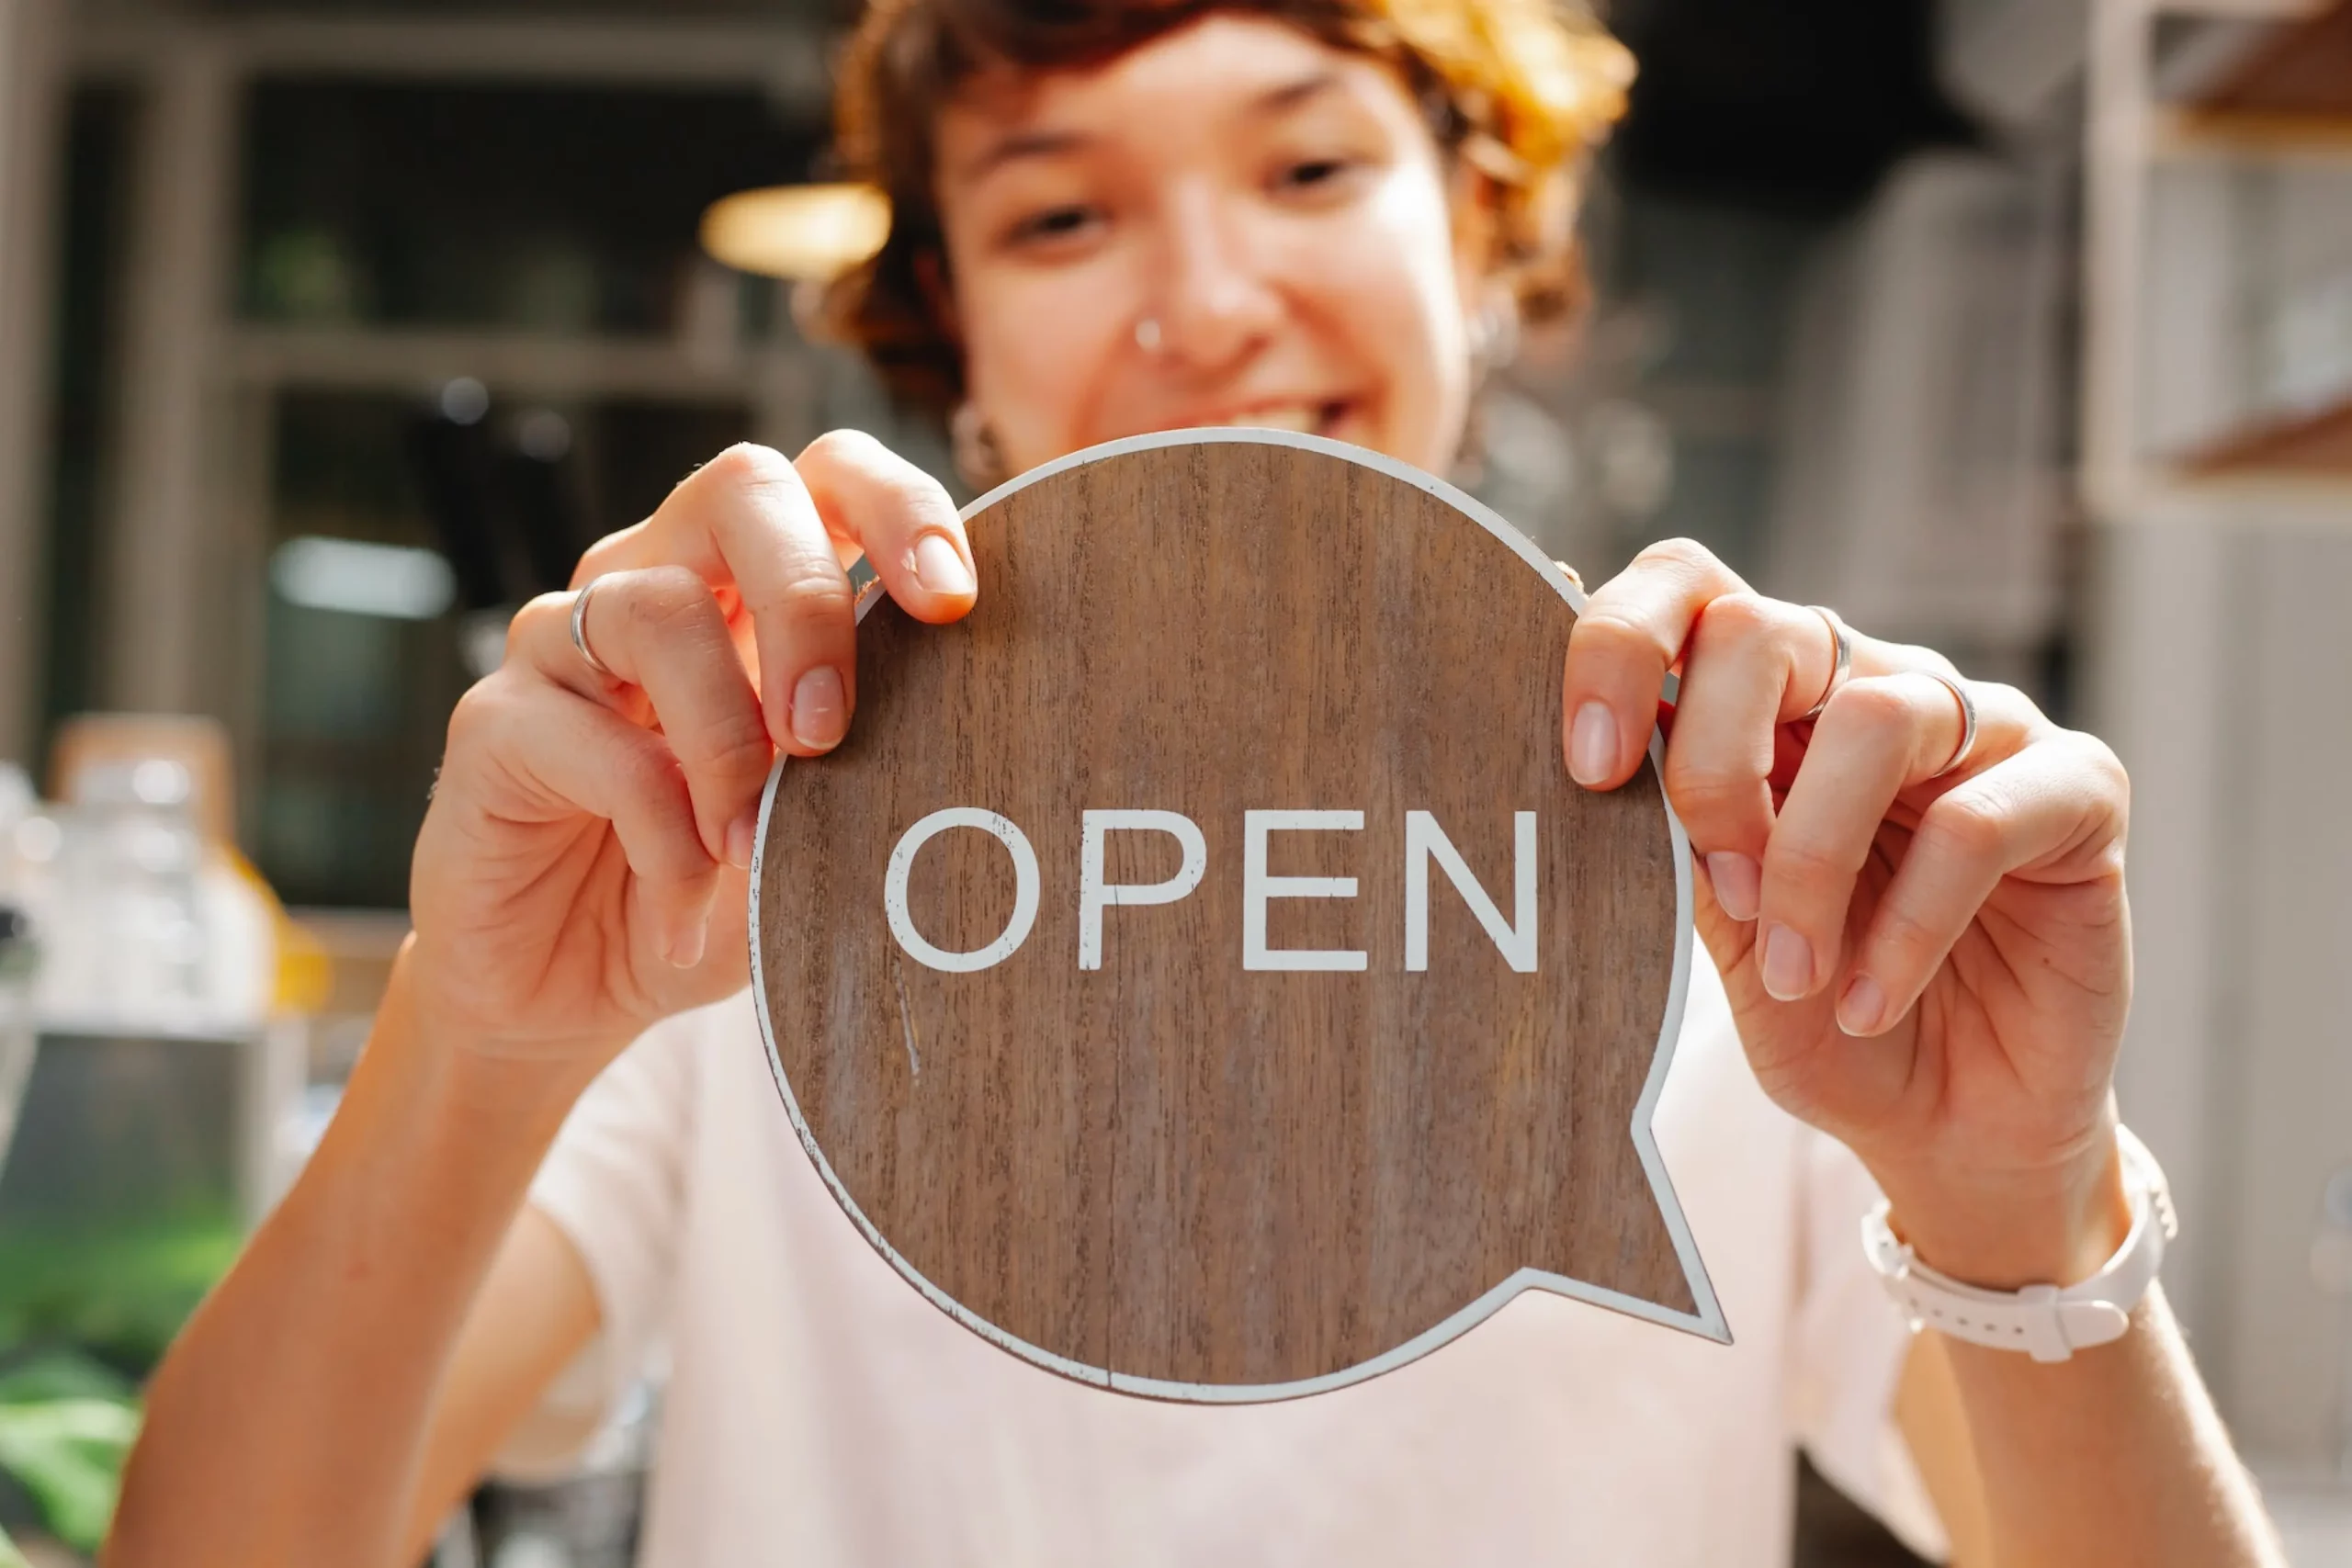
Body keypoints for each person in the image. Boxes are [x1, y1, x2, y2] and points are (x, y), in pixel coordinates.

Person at [108, 0, 2285, 1564]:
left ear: (1494, 244)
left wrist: (2021, 1203)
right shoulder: (757, 867)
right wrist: (475, 1035)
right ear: (952, 352)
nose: (1208, 303)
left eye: (1313, 166)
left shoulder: (1756, 894)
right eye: (1062, 222)